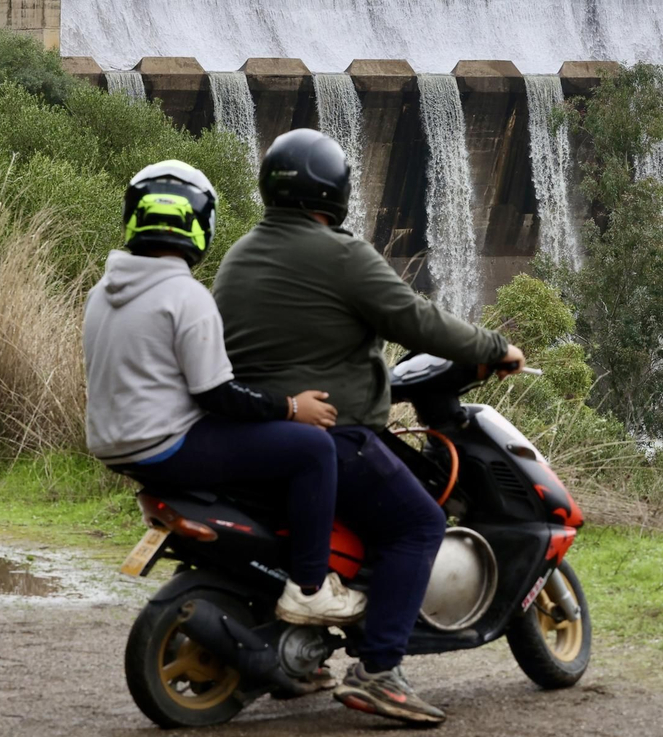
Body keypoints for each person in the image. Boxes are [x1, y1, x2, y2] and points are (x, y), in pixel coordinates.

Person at [212, 129, 525, 726]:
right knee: (418, 522)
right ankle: (379, 671)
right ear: (334, 191)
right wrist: (495, 345)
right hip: (336, 434)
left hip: (256, 435)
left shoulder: (240, 253)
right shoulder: (341, 254)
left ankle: (298, 660)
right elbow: (417, 320)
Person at [82, 159, 366, 634]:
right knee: (313, 449)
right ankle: (311, 590)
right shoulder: (185, 295)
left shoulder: (103, 291)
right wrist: (292, 408)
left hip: (116, 444)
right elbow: (217, 395)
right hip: (167, 446)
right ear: (201, 225)